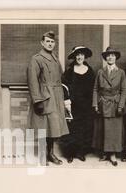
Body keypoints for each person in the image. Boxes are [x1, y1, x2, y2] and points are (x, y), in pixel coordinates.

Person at [27, 31, 69, 165]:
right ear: (42, 43)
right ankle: (42, 155)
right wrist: (37, 100)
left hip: (56, 96)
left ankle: (50, 153)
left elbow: (61, 77)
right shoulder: (36, 59)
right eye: (48, 41)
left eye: (52, 42)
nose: (50, 44)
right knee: (43, 126)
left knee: (53, 127)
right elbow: (32, 81)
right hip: (45, 97)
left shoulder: (56, 59)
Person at [59, 46, 95, 163]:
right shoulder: (69, 71)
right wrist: (67, 101)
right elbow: (63, 86)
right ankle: (69, 154)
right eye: (77, 55)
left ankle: (81, 152)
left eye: (81, 55)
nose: (79, 57)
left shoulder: (90, 71)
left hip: (86, 106)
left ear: (85, 56)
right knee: (71, 129)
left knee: (84, 129)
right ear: (75, 57)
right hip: (73, 106)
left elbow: (94, 88)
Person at [92, 47, 126, 166]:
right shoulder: (100, 72)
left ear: (116, 57)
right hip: (103, 103)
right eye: (108, 55)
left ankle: (113, 154)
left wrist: (121, 105)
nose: (110, 57)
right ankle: (105, 153)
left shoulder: (121, 72)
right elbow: (96, 89)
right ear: (105, 58)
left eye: (112, 55)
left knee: (114, 130)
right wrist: (95, 104)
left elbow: (124, 90)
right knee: (104, 130)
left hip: (115, 104)